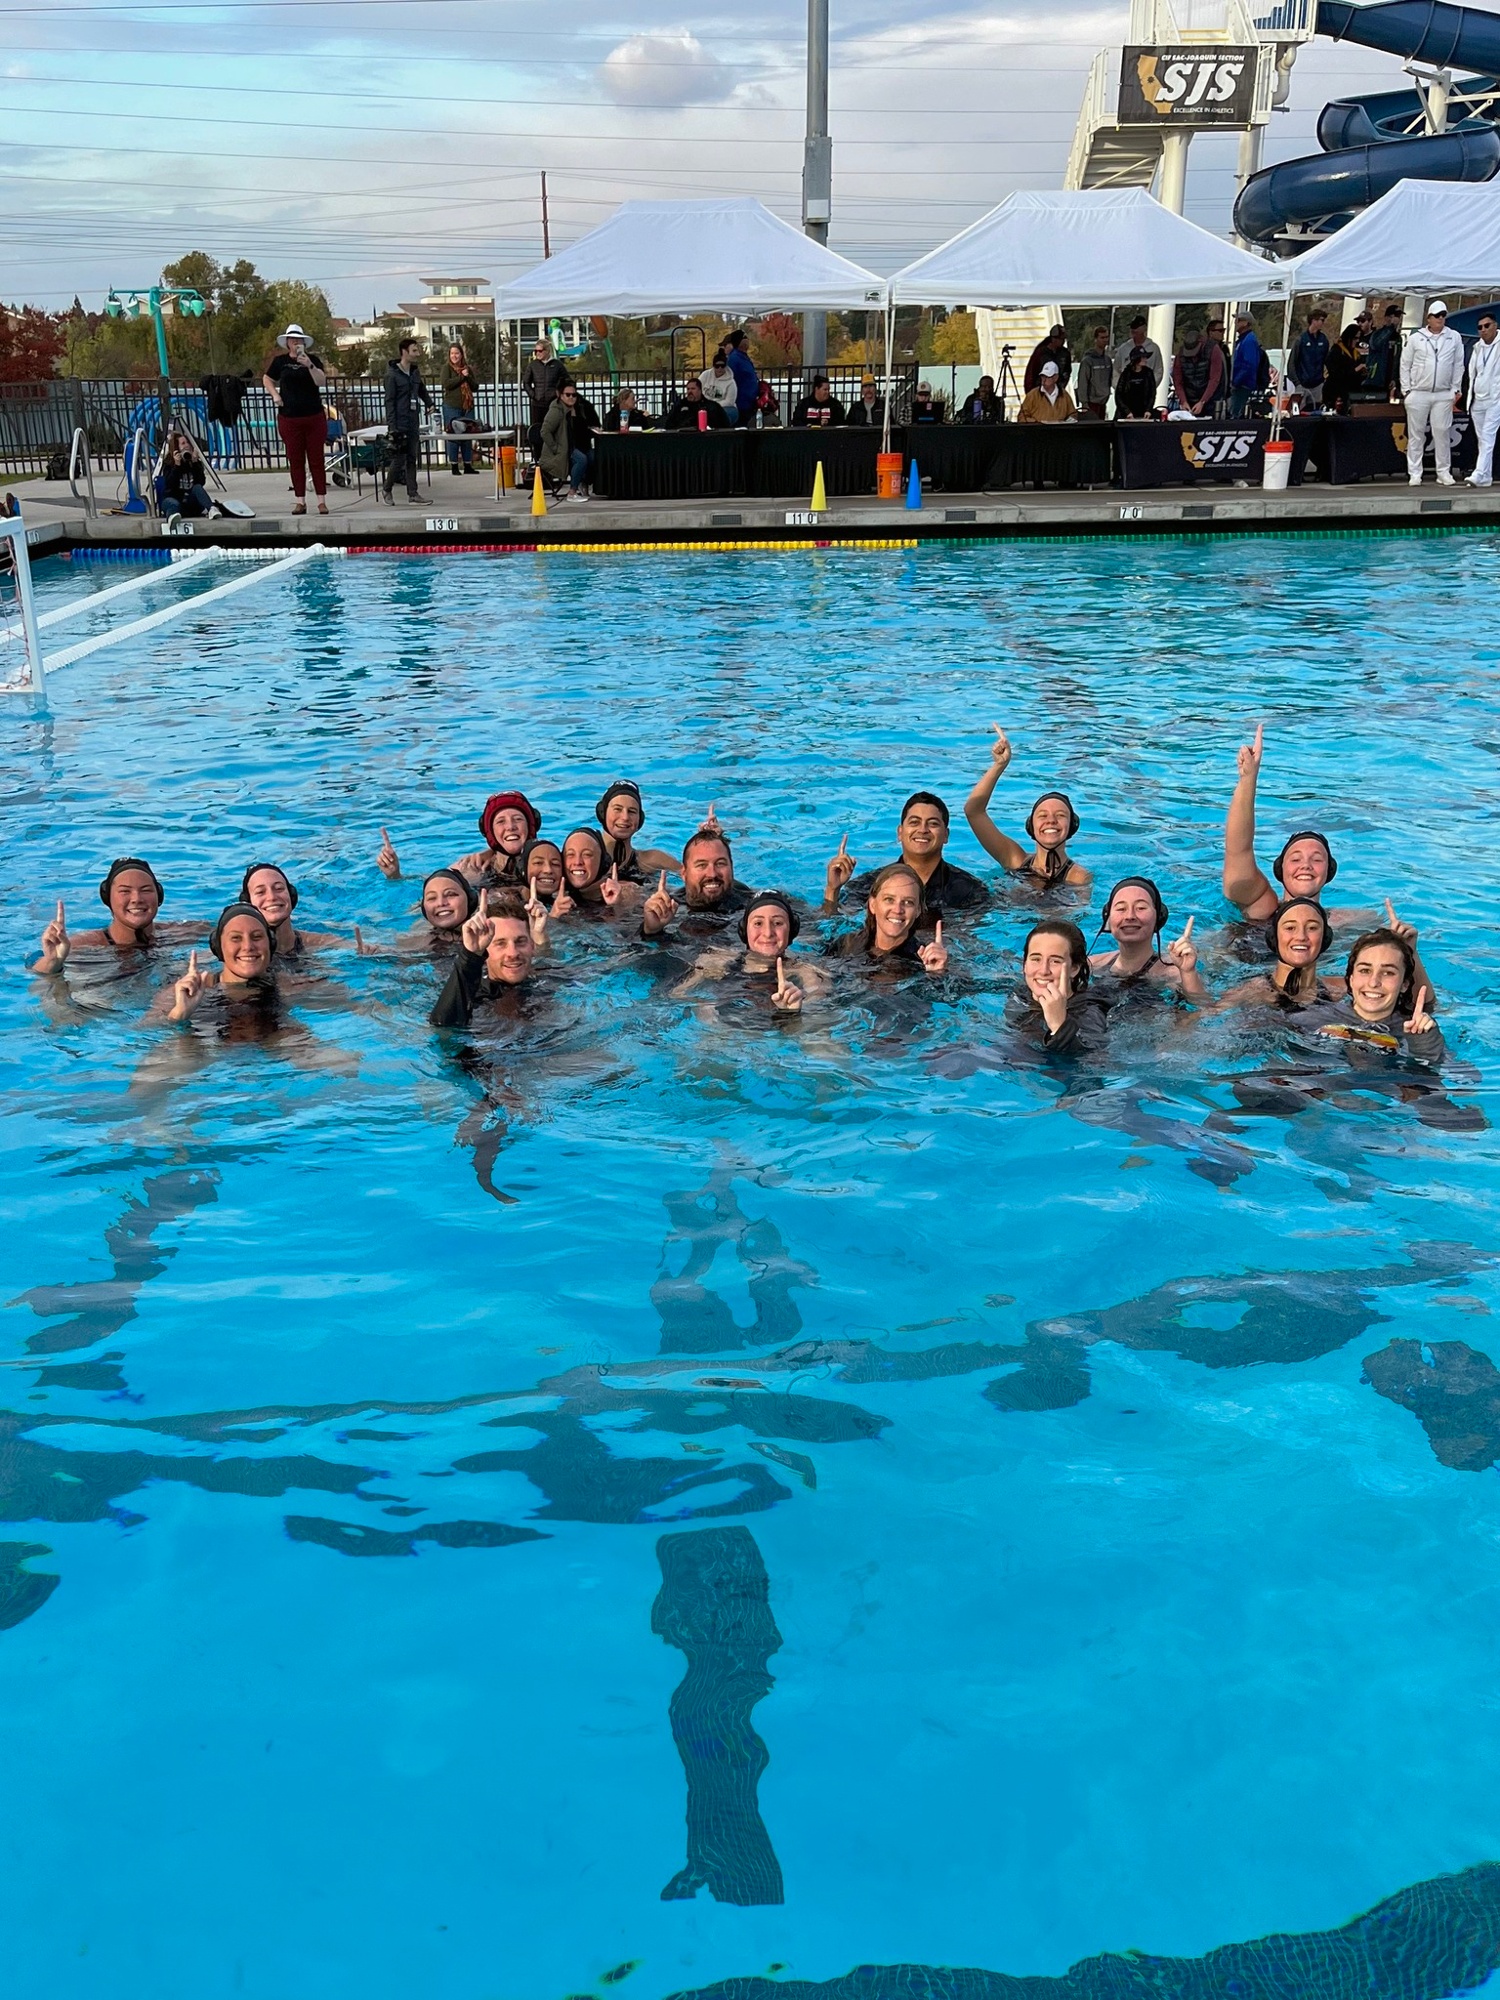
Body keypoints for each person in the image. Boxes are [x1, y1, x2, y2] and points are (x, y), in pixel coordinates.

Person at [1220, 722, 1346, 922]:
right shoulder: (1262, 907)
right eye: (1295, 859)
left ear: (1329, 870)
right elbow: (1238, 850)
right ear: (1280, 869)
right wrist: (1248, 779)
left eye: (1317, 859)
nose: (1305, 865)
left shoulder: (1347, 923)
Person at [963, 726, 1090, 887]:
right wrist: (999, 765)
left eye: (1060, 815)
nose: (1051, 821)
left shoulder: (1078, 877)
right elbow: (973, 811)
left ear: (1072, 826)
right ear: (1031, 826)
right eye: (1042, 815)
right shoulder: (1014, 859)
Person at [671, 890, 830, 1015]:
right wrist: (700, 1004)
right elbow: (674, 996)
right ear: (744, 931)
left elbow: (819, 1016)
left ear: (792, 930)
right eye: (758, 923)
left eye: (778, 923)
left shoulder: (809, 974)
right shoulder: (717, 961)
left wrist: (792, 1013)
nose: (768, 932)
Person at [835, 791, 989, 917]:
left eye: (933, 823)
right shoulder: (868, 885)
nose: (923, 830)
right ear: (900, 832)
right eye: (914, 822)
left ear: (946, 835)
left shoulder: (969, 890)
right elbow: (834, 924)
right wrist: (833, 889)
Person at [1304, 929, 1444, 1060]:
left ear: (1404, 984)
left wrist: (1423, 1045)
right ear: (1351, 979)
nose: (1373, 982)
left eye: (1388, 972)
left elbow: (1451, 1077)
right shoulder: (1312, 1018)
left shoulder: (1416, 1032)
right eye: (1365, 970)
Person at [31, 857, 174, 975]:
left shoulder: (180, 933)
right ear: (108, 899)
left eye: (146, 890)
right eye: (125, 891)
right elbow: (35, 981)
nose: (136, 899)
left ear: (159, 895)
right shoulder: (81, 946)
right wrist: (52, 961)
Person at [153, 904, 279, 1028]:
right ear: (218, 947)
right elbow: (147, 1029)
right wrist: (180, 1013)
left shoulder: (288, 987)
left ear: (271, 943)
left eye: (257, 937)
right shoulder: (182, 992)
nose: (248, 946)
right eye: (236, 938)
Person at [429, 897, 544, 1029]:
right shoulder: (476, 997)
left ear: (532, 945)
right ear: (485, 949)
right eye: (500, 943)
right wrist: (470, 955)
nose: (513, 953)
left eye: (520, 941)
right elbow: (443, 1025)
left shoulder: (549, 981)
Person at [1089, 878, 1207, 1003]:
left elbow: (1203, 1009)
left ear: (1158, 917)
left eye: (1141, 908)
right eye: (1121, 909)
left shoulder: (1174, 973)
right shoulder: (1091, 964)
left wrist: (1188, 972)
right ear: (1108, 918)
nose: (1130, 916)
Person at [826, 862, 948, 976]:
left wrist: (936, 974)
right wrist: (832, 890)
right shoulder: (846, 944)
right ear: (872, 905)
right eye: (889, 900)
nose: (897, 909)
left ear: (918, 911)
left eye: (908, 902)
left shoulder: (922, 959)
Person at [1221, 898, 1343, 1011]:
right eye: (1290, 928)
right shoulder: (1248, 994)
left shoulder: (1344, 989)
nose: (1301, 937)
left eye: (1312, 928)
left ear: (1325, 938)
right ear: (1274, 937)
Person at [1006, 922, 1106, 1054]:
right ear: (1024, 965)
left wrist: (1059, 1025)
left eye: (1055, 961)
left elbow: (1090, 1062)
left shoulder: (1090, 1012)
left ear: (1074, 969)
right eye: (1036, 959)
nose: (1043, 971)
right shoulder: (1020, 996)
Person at [263, 323, 330, 516]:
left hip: (313, 416)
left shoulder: (313, 360)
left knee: (316, 459)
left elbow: (321, 381)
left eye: (299, 340)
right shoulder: (280, 362)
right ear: (287, 343)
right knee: (296, 459)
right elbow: (267, 378)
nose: (296, 343)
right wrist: (275, 395)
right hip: (290, 417)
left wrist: (308, 364)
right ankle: (300, 501)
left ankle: (321, 501)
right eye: (292, 340)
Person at [640, 827, 753, 937]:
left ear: (731, 867)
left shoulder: (752, 905)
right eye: (701, 865)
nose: (712, 874)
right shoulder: (666, 908)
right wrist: (651, 931)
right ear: (684, 874)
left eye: (720, 863)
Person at [1400, 300, 1464, 487]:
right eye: (1437, 315)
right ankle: (1415, 472)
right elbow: (1405, 364)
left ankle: (1443, 472)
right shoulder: (1415, 338)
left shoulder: (1454, 336)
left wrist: (1455, 388)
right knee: (1416, 434)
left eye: (1443, 315)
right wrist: (1407, 390)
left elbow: (1458, 364)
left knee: (1442, 432)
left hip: (1443, 393)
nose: (1440, 319)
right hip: (1419, 392)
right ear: (1429, 317)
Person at [239, 862, 339, 959]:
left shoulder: (317, 942)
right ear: (248, 904)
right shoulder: (245, 956)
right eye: (260, 892)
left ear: (292, 896)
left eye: (279, 888)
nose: (271, 897)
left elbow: (351, 947)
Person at [450, 789, 545, 887]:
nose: (510, 827)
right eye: (501, 821)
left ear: (531, 825)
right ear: (489, 831)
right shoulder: (471, 867)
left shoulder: (550, 863)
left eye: (518, 819)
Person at [593, 779, 678, 882]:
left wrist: (702, 838)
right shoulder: (585, 862)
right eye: (617, 809)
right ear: (602, 813)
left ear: (640, 819)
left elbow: (690, 875)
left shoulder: (652, 861)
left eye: (632, 811)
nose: (625, 817)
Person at [550, 827, 642, 920]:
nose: (577, 862)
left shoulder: (626, 892)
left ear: (603, 862)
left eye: (587, 854)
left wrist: (617, 906)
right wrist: (553, 917)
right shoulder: (555, 896)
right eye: (570, 854)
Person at [384, 337, 433, 504]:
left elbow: (421, 390)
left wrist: (429, 403)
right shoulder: (392, 375)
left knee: (412, 457)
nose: (417, 353)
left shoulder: (414, 372)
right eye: (414, 350)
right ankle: (387, 489)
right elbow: (389, 402)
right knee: (399, 459)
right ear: (404, 352)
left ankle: (413, 493)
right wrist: (392, 427)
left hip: (413, 420)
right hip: (399, 422)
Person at [540, 380, 602, 503]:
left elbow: (584, 427)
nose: (571, 398)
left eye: (574, 395)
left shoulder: (580, 407)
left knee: (594, 457)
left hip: (579, 445)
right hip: (564, 448)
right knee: (581, 459)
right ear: (560, 395)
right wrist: (556, 448)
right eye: (568, 395)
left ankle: (585, 482)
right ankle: (572, 491)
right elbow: (545, 431)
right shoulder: (556, 410)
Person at [1466, 309, 1500, 487]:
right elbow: (1473, 373)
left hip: (1496, 398)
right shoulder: (1477, 347)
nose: (1483, 330)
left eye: (1487, 326)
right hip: (1478, 399)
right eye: (1480, 327)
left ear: (1495, 326)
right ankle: (1486, 476)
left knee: (1487, 436)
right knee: (1482, 439)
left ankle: (1479, 473)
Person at [523, 337, 570, 462]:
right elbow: (526, 382)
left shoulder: (557, 365)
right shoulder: (533, 365)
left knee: (553, 430)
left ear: (547, 351)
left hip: (553, 404)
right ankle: (538, 458)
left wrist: (559, 395)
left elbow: (567, 381)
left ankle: (554, 457)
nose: (537, 353)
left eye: (540, 351)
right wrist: (533, 395)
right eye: (535, 351)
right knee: (538, 431)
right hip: (537, 404)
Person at [442, 342, 480, 474]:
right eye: (452, 353)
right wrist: (461, 377)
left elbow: (475, 387)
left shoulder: (467, 368)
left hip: (467, 407)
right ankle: (454, 465)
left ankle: (468, 464)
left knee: (467, 434)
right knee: (453, 435)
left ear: (461, 355)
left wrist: (467, 376)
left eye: (457, 353)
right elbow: (447, 384)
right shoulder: (447, 368)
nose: (454, 356)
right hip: (452, 407)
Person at [1170, 327, 1225, 418]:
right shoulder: (1181, 353)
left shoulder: (1213, 349)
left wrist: (1202, 401)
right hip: (1189, 397)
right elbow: (1177, 380)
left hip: (1211, 399)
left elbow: (1214, 379)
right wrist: (1183, 401)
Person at [159, 430, 214, 518]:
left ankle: (211, 509)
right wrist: (177, 466)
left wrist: (195, 463)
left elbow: (201, 482)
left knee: (197, 487)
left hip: (189, 501)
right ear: (176, 448)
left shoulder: (193, 463)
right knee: (173, 504)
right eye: (183, 443)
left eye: (187, 442)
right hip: (173, 499)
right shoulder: (169, 463)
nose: (187, 445)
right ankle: (172, 518)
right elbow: (169, 486)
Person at [1288, 309, 1330, 409]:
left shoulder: (1323, 340)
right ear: (1313, 320)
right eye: (1321, 320)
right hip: (1302, 384)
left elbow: (1327, 360)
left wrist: (1325, 379)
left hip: (1318, 384)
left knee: (1315, 411)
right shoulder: (1301, 339)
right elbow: (1292, 363)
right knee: (1299, 411)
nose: (1323, 323)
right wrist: (1297, 383)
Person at [1112, 317, 1163, 393]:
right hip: (1126, 393)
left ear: (1144, 328)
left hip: (1145, 393)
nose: (1133, 330)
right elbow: (1115, 370)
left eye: (1136, 327)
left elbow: (1158, 371)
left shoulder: (1154, 349)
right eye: (1132, 327)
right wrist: (1120, 388)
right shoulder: (1123, 349)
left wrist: (1150, 387)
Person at [1323, 323, 1365, 416]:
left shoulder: (1356, 353)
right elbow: (1334, 371)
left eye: (1358, 338)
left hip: (1352, 390)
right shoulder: (1337, 350)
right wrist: (1354, 370)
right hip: (1336, 390)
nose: (1357, 341)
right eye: (1355, 338)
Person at [1229, 313, 1265, 420]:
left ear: (1246, 323)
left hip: (1243, 385)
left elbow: (1249, 364)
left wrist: (1236, 381)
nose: (1235, 323)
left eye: (1239, 320)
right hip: (1241, 384)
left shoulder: (1248, 340)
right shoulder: (1243, 340)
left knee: (1235, 414)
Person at [724, 330, 761, 430]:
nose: (747, 341)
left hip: (750, 402)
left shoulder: (744, 357)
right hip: (741, 404)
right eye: (744, 338)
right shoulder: (734, 358)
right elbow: (730, 378)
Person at [663, 374, 729, 430]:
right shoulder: (679, 406)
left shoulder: (712, 407)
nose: (690, 391)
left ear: (700, 390)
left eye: (693, 389)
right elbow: (669, 425)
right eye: (688, 389)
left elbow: (724, 425)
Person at [1366, 302, 1404, 398]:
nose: (1397, 319)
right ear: (1387, 317)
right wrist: (1390, 327)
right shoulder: (1377, 334)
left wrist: (1395, 379)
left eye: (1398, 316)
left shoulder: (1398, 337)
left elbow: (1397, 359)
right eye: (1394, 316)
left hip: (1390, 381)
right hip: (1376, 379)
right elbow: (1376, 345)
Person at [1075, 330, 1112, 419]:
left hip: (1103, 403)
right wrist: (1084, 403)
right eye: (1102, 337)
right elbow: (1083, 382)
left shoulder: (1108, 360)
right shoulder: (1087, 361)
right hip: (1091, 404)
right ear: (1095, 339)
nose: (1105, 340)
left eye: (1107, 337)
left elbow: (1109, 379)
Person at [1024, 326, 1072, 393]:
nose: (1063, 341)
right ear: (1053, 339)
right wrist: (1031, 393)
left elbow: (1067, 372)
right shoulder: (1040, 353)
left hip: (1057, 392)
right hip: (1040, 392)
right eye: (1060, 339)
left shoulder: (1065, 354)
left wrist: (1061, 387)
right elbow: (1031, 374)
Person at [699, 351, 741, 423]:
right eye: (717, 366)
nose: (720, 368)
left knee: (725, 414)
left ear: (726, 366)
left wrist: (714, 406)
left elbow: (729, 402)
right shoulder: (705, 375)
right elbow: (697, 388)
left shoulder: (731, 382)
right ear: (713, 366)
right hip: (705, 406)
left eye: (722, 366)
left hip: (724, 407)